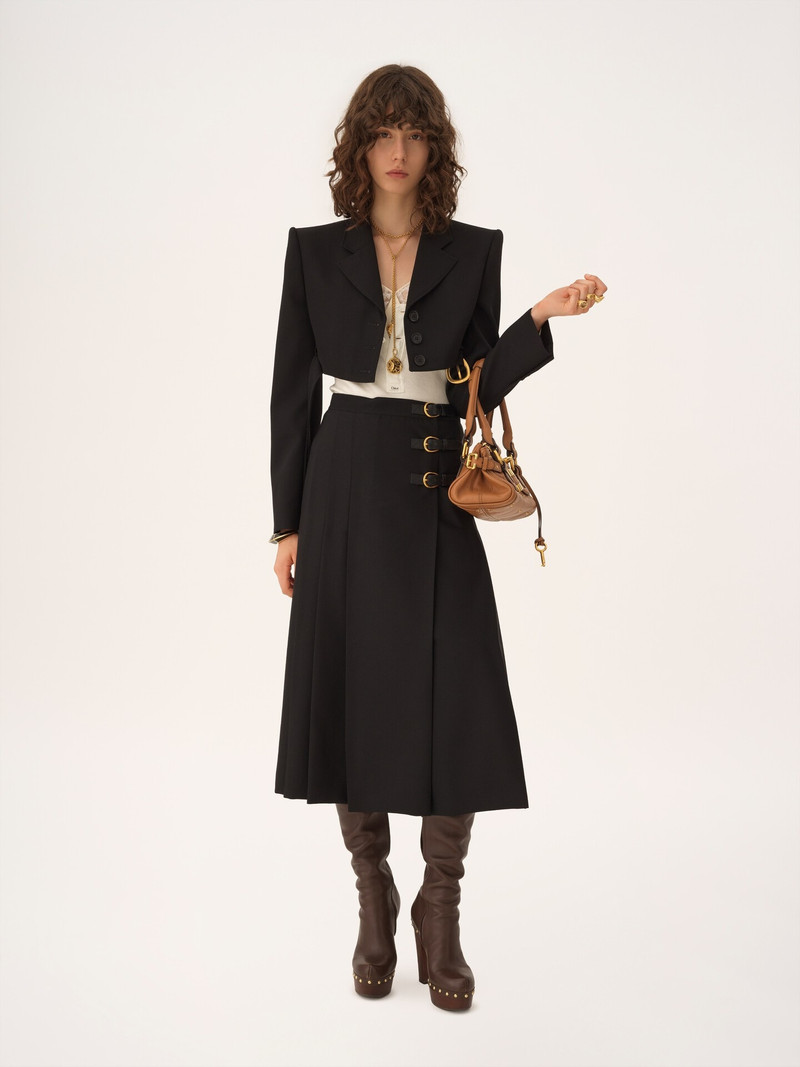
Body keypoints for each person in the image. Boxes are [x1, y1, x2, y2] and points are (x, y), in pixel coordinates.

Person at [268, 64, 607, 1012]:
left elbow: (473, 385)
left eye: (414, 134)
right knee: (351, 694)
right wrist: (288, 523)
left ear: (433, 148)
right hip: (342, 484)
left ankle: (440, 908)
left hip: (430, 490)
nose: (398, 151)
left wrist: (538, 319)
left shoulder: (473, 249)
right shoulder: (312, 252)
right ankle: (374, 899)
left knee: (460, 699)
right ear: (359, 147)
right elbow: (290, 390)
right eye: (382, 134)